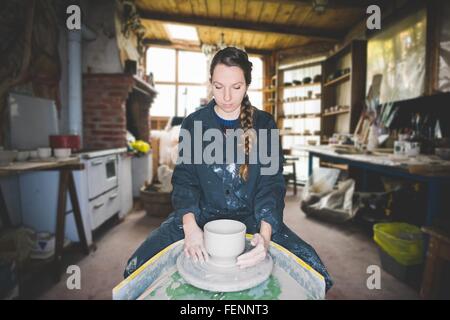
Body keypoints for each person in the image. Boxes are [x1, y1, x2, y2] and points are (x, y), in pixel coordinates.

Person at [124, 47, 333, 291]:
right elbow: (185, 180)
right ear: (210, 83)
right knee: (135, 269)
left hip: (253, 218)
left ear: (246, 86)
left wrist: (265, 237)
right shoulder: (194, 123)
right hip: (199, 216)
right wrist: (190, 229)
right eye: (218, 86)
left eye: (236, 87)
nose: (226, 97)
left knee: (316, 275)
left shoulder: (263, 124)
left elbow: (271, 184)